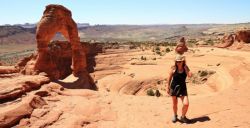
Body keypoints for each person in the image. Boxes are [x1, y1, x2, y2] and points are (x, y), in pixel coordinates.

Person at [167, 54, 192, 123]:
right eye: (177, 61)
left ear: (183, 61)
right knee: (175, 103)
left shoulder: (185, 67)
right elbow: (169, 78)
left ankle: (183, 117)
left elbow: (189, 75)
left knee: (186, 104)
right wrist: (168, 87)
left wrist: (187, 70)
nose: (178, 63)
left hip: (182, 88)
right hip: (174, 87)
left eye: (180, 61)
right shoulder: (173, 68)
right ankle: (175, 116)